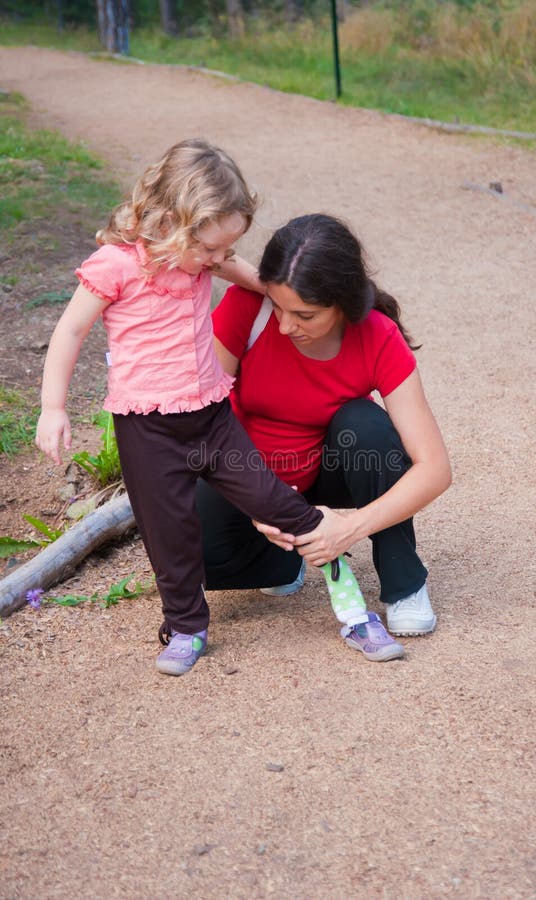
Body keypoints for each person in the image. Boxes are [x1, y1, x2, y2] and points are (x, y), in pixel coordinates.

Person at [35, 142, 403, 676]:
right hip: (146, 427)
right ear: (172, 221)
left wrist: (338, 293)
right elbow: (70, 330)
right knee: (170, 531)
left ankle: (352, 610)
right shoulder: (115, 266)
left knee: (279, 503)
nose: (218, 259)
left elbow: (268, 283)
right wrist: (53, 407)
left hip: (212, 421)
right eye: (211, 248)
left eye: (227, 248)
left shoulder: (206, 257)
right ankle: (185, 625)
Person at [199, 212, 452, 644]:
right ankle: (286, 559)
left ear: (344, 306)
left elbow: (435, 469)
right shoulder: (247, 309)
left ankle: (405, 583)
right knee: (201, 558)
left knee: (366, 426)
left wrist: (349, 529)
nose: (285, 325)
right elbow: (205, 421)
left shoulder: (376, 335)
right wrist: (260, 502)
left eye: (305, 315)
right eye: (277, 306)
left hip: (329, 467)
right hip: (253, 470)